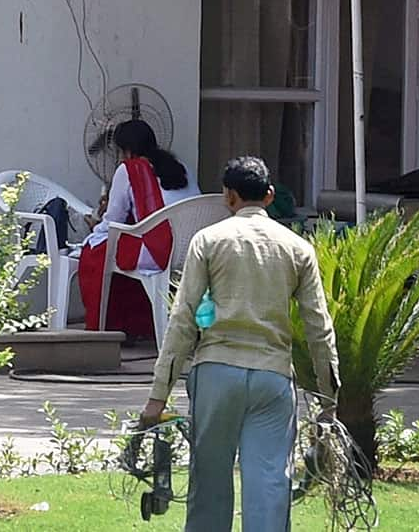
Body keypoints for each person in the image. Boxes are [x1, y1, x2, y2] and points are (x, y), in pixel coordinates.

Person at [139, 156, 340, 532]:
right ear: (268, 196)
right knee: (269, 487)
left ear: (228, 197)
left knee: (210, 486)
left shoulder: (208, 240)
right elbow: (319, 328)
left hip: (216, 373)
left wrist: (157, 397)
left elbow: (183, 319)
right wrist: (328, 400)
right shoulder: (298, 248)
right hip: (273, 377)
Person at [78, 120, 200, 339]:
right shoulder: (181, 167)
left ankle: (107, 328)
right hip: (189, 249)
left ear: (126, 150)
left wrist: (95, 226)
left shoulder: (129, 170)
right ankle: (141, 324)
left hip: (159, 251)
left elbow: (113, 220)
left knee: (95, 251)